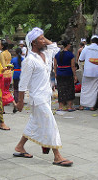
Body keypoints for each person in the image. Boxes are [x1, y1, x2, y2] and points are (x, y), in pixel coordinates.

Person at [13, 27, 73, 167]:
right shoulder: (29, 60)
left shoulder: (47, 53)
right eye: (40, 39)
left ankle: (20, 147)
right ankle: (57, 156)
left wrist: (41, 37)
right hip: (37, 98)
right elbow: (23, 84)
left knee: (34, 123)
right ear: (34, 43)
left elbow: (55, 47)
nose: (44, 41)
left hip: (47, 96)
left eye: (43, 38)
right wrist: (20, 102)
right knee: (50, 124)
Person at [78, 35, 98, 111]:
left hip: (87, 70)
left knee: (84, 88)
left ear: (91, 41)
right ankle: (91, 106)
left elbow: (81, 59)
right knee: (94, 89)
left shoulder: (86, 48)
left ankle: (82, 105)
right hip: (96, 72)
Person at [54, 40, 77, 111]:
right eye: (69, 45)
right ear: (67, 45)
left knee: (61, 90)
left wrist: (55, 73)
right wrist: (75, 75)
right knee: (70, 89)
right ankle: (69, 106)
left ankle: (60, 106)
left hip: (60, 73)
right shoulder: (70, 55)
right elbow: (73, 66)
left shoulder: (57, 54)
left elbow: (55, 65)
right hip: (68, 73)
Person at [0, 39, 17, 113]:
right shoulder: (8, 53)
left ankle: (5, 108)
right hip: (9, 74)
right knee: (6, 90)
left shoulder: (2, 54)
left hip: (4, 74)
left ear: (2, 46)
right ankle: (4, 108)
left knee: (2, 91)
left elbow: (3, 66)